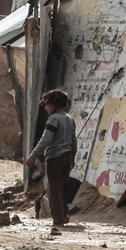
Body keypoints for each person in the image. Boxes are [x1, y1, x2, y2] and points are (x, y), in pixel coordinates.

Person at [25, 89, 77, 232]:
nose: (46, 108)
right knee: (61, 188)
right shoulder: (69, 119)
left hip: (55, 157)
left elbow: (45, 140)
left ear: (54, 104)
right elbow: (73, 141)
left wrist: (33, 156)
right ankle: (65, 214)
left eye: (47, 105)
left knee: (53, 189)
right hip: (67, 157)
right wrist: (72, 158)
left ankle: (58, 219)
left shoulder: (53, 119)